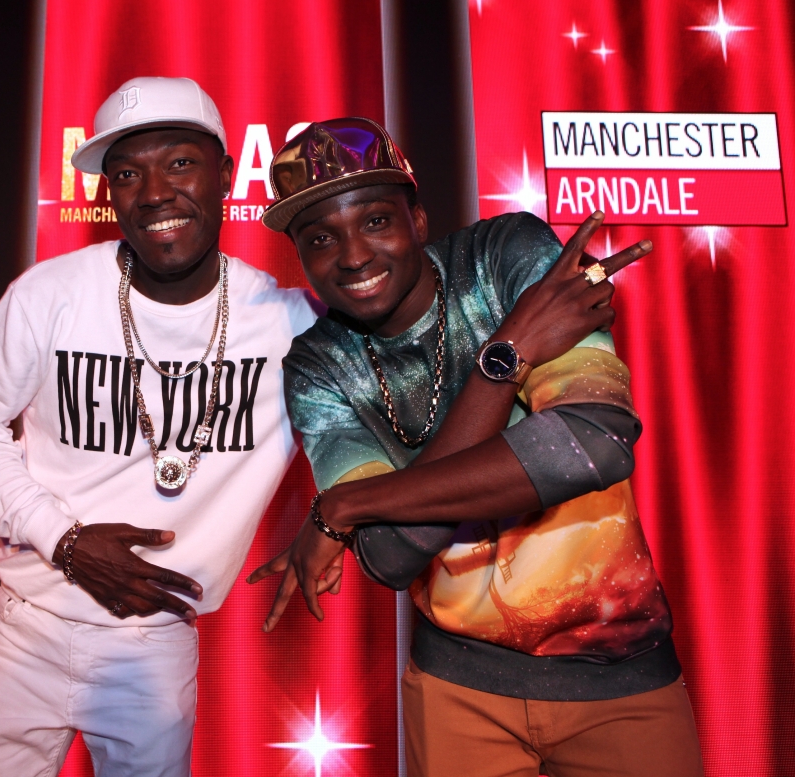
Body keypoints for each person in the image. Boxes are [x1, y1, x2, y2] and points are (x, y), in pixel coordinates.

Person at [249, 118, 703, 776]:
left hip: (622, 677)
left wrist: (346, 503)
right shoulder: (319, 364)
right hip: (455, 691)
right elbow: (391, 552)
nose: (352, 255)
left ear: (419, 219)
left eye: (375, 220)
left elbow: (591, 446)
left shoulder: (507, 254)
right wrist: (509, 352)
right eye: (320, 239)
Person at [0, 77, 316, 777]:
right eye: (126, 172)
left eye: (179, 163)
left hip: (155, 636)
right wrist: (66, 540)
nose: (153, 192)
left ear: (226, 176)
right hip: (28, 620)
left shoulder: (291, 322)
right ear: (107, 192)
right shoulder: (49, 294)